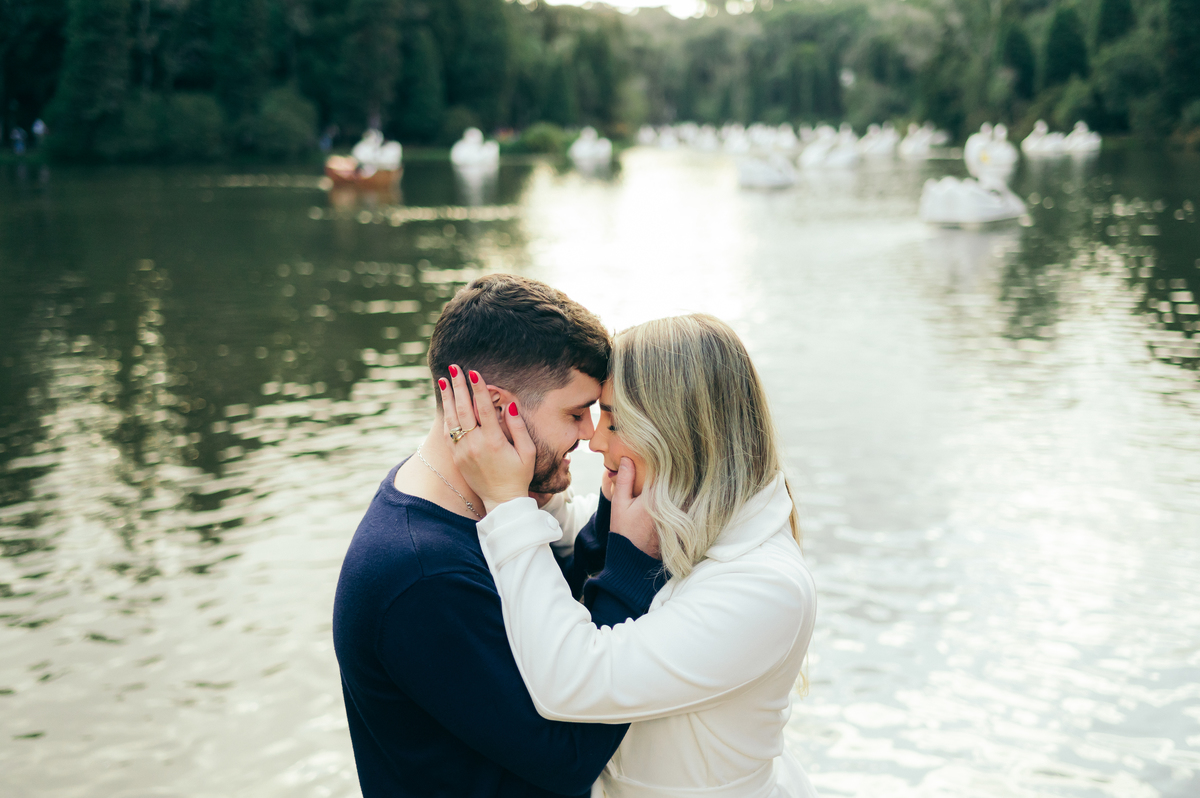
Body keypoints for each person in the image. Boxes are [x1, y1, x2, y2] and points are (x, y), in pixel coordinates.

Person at [441, 313, 819, 798]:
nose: (596, 440)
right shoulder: (684, 517)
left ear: (677, 434)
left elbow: (572, 681)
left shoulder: (765, 588)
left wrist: (506, 501)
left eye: (615, 421)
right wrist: (512, 456)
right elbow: (569, 534)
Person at [332, 274, 668, 798]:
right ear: (492, 408)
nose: (590, 435)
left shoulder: (462, 503)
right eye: (576, 413)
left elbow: (552, 605)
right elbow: (566, 757)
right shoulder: (422, 575)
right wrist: (631, 567)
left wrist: (616, 499)